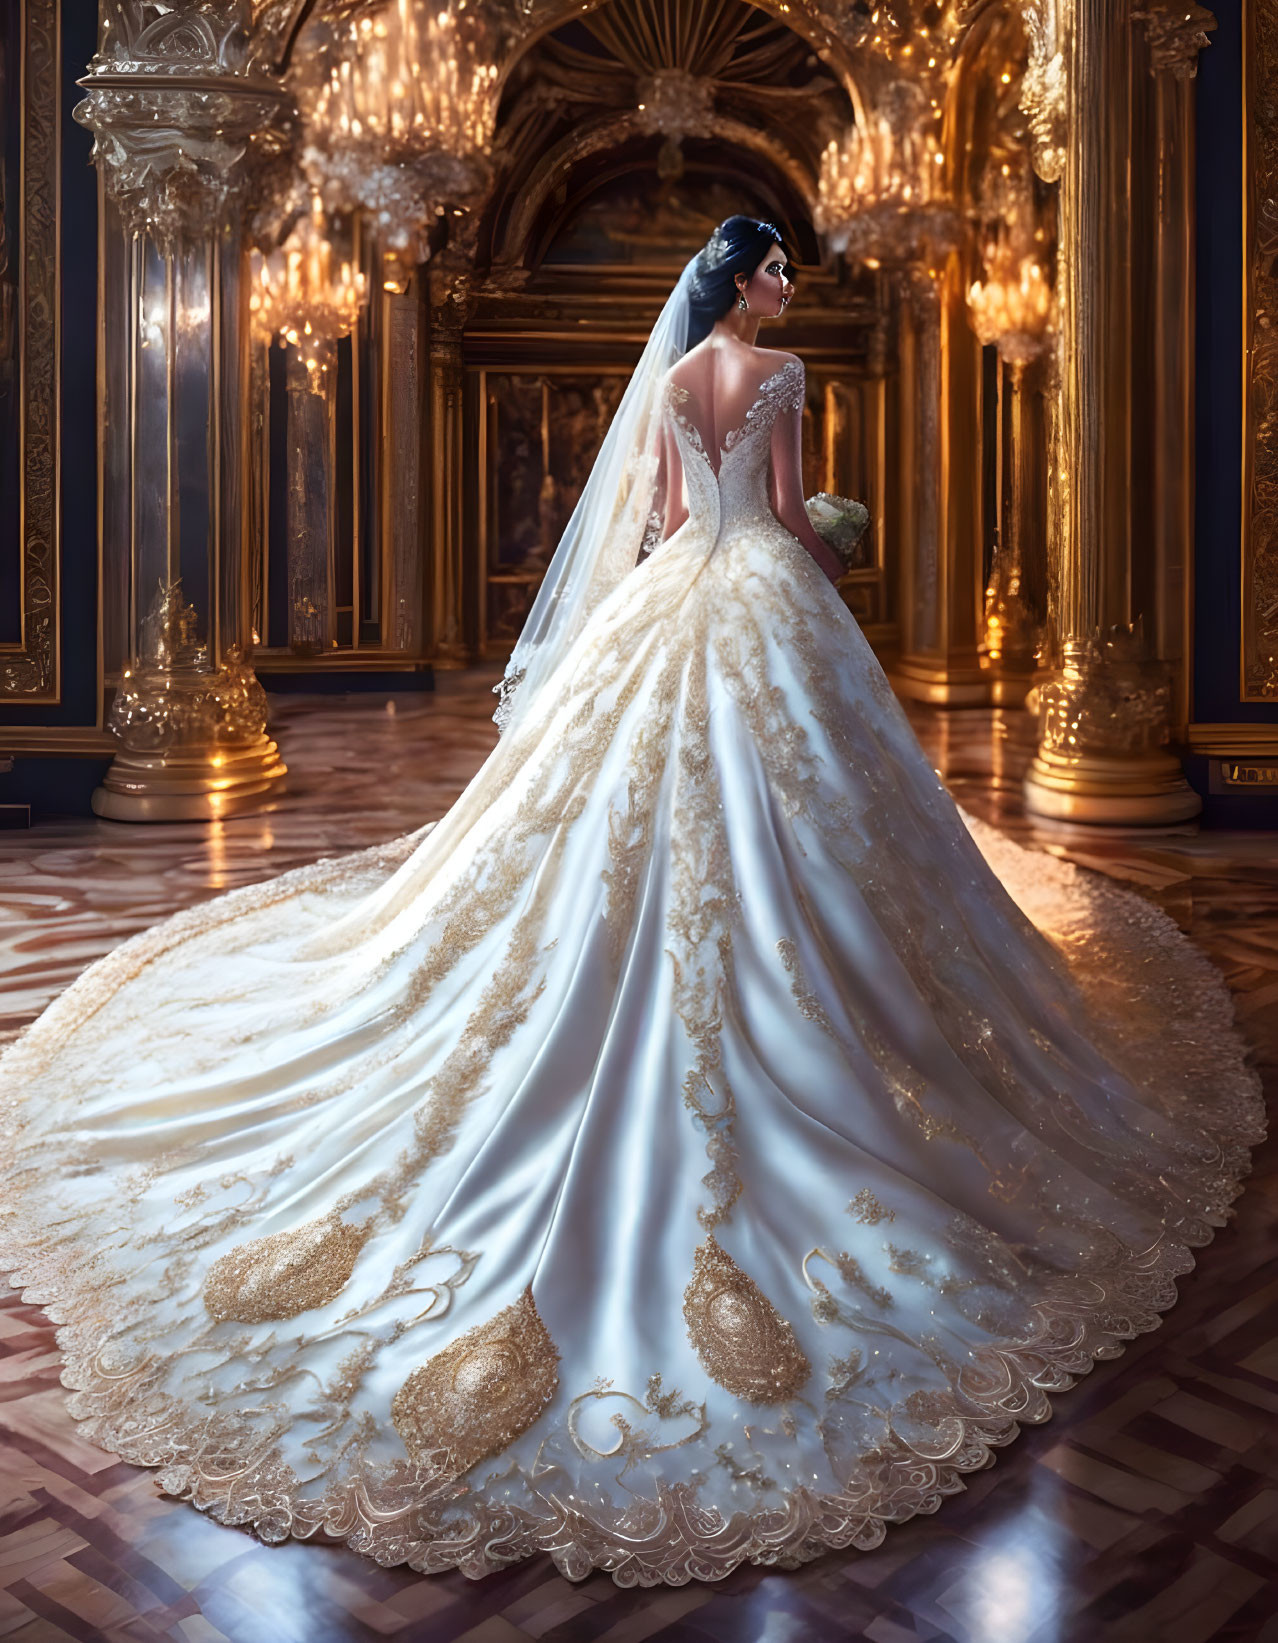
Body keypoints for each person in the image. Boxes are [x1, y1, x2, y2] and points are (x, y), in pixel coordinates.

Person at [0, 216, 1263, 1587]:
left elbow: (667, 521)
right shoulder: (778, 382)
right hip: (763, 598)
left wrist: (725, 545)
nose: (785, 290)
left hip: (667, 604)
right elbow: (779, 515)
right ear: (742, 286)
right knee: (811, 804)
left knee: (610, 806)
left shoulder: (670, 383)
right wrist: (826, 544)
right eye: (777, 272)